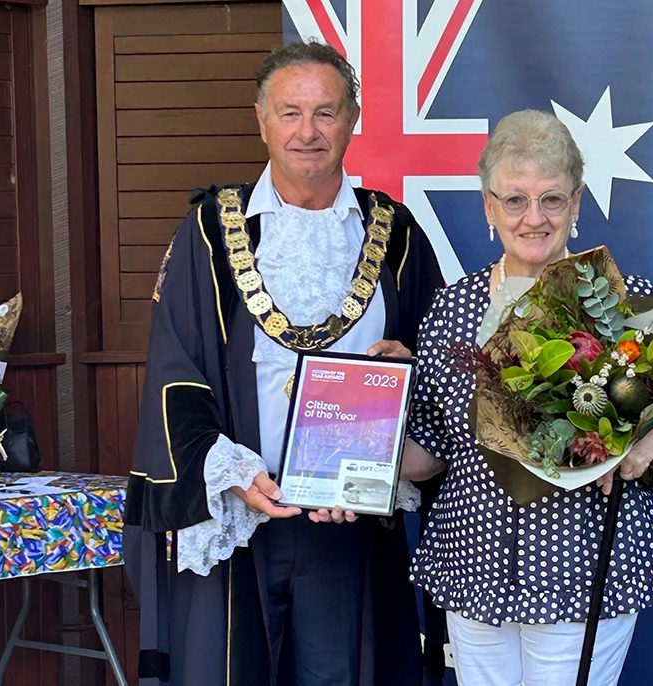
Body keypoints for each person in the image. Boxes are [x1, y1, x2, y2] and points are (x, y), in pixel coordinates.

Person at [123, 41, 444, 686]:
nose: (308, 132)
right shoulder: (212, 228)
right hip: (243, 510)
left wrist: (400, 406)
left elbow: (436, 371)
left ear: (353, 119)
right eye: (290, 112)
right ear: (261, 120)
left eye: (326, 112)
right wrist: (233, 476)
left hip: (350, 521)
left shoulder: (398, 232)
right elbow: (175, 366)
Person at [397, 109, 653, 685]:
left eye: (552, 199)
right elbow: (434, 446)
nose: (533, 218)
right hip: (473, 559)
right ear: (488, 207)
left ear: (577, 201)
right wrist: (358, 442)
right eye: (514, 200)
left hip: (585, 559)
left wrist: (652, 440)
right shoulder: (452, 310)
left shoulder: (622, 301)